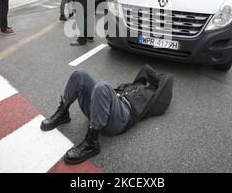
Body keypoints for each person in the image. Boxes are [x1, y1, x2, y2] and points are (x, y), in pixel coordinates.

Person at [40, 66, 173, 165]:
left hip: (122, 117)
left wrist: (155, 82)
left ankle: (92, 143)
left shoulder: (153, 95)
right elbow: (146, 69)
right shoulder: (135, 84)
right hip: (104, 108)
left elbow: (167, 80)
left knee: (102, 87)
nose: (149, 80)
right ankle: (63, 113)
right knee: (79, 74)